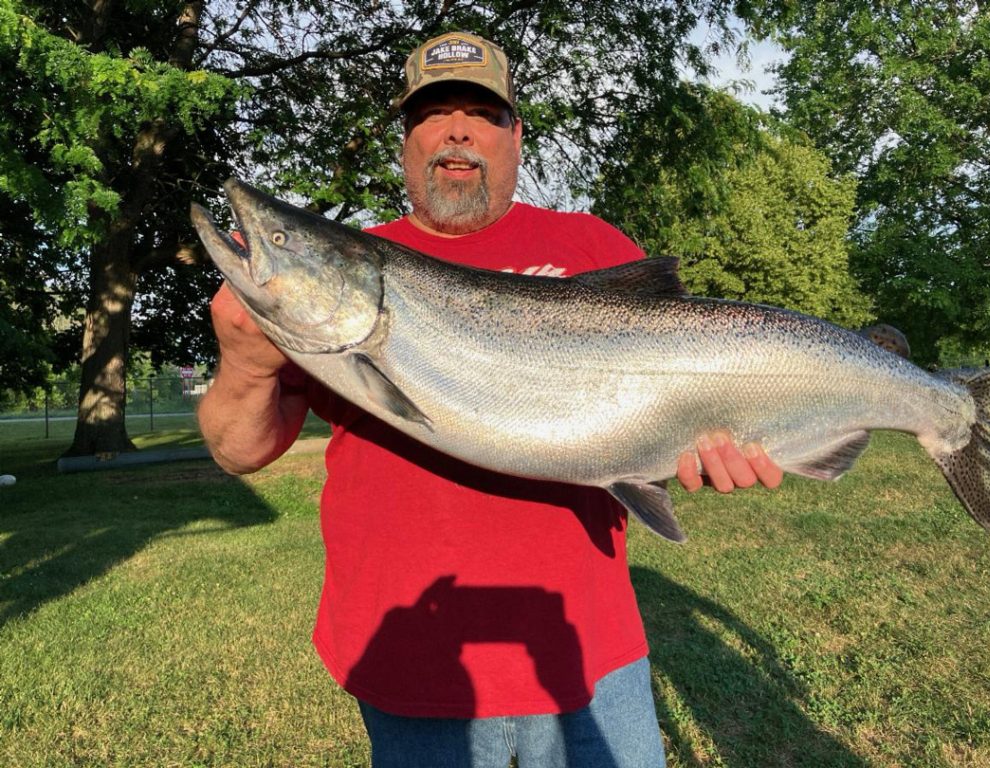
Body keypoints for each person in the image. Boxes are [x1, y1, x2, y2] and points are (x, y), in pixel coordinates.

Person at [198, 31, 783, 768]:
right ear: (407, 140)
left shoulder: (592, 243)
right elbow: (238, 451)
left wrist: (713, 442)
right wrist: (245, 364)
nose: (457, 131)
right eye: (432, 113)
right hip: (411, 663)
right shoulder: (352, 264)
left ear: (516, 135)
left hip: (590, 656)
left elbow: (683, 387)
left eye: (482, 112)